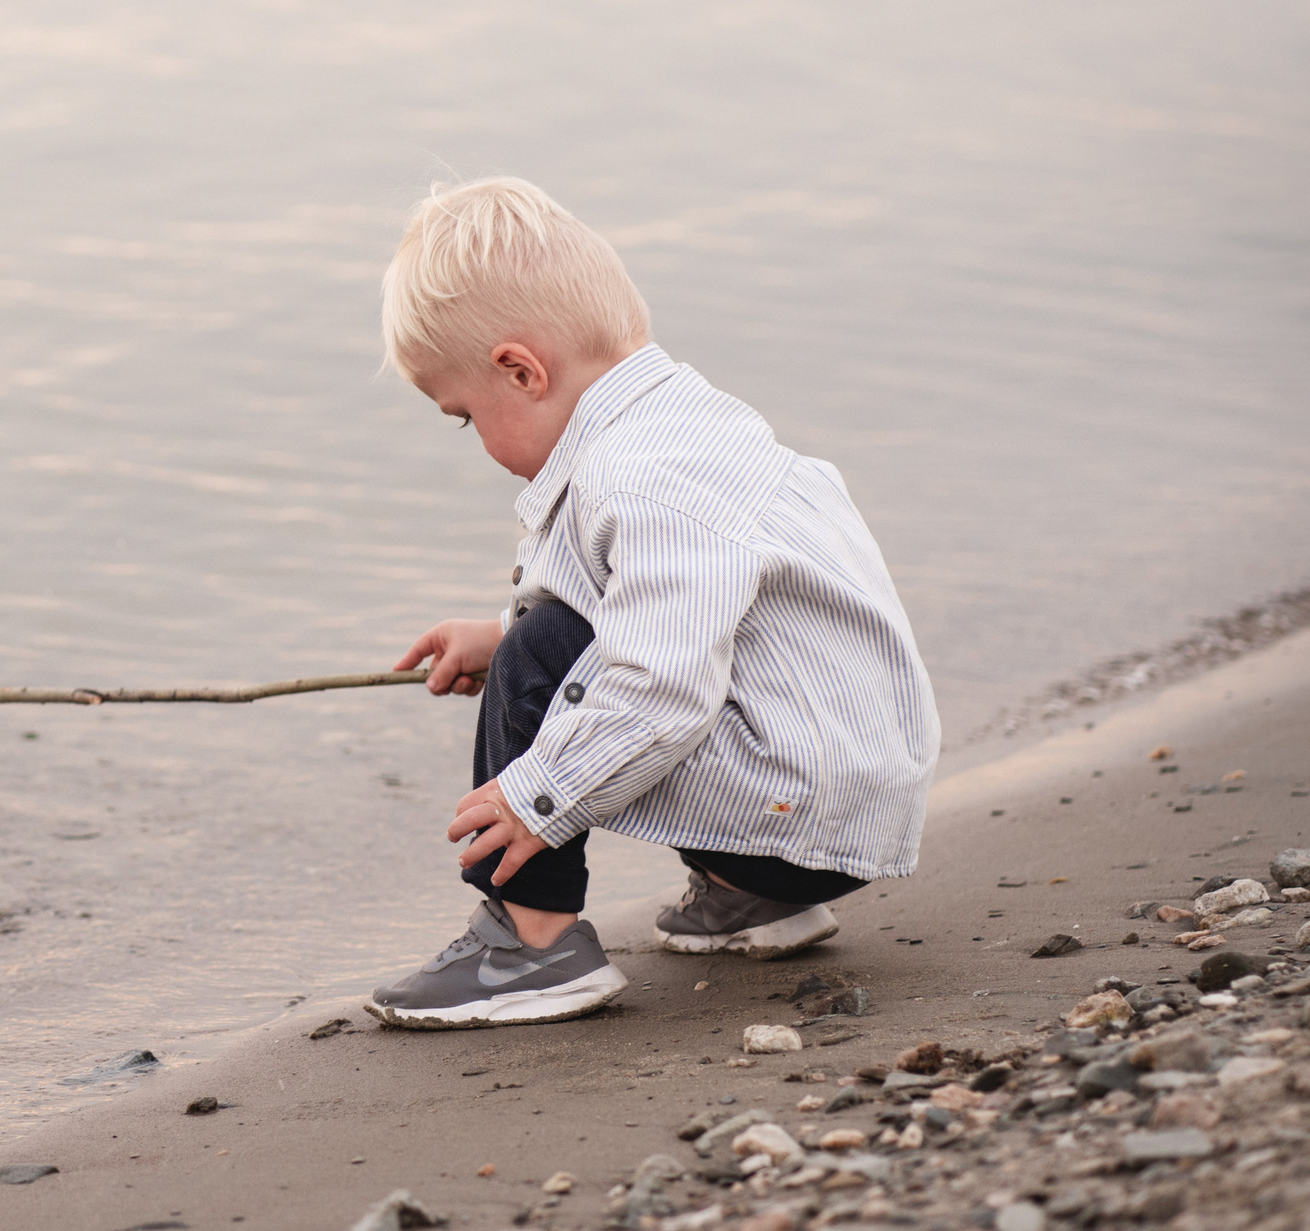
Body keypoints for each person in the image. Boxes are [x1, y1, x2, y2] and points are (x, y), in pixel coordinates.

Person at [364, 177, 938, 1030]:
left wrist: (538, 792)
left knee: (550, 659)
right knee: (550, 648)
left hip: (799, 808)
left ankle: (531, 940)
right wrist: (497, 632)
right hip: (847, 794)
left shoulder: (639, 477)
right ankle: (748, 896)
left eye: (464, 416)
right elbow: (668, 613)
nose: (474, 442)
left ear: (519, 369)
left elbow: (661, 685)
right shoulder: (695, 427)